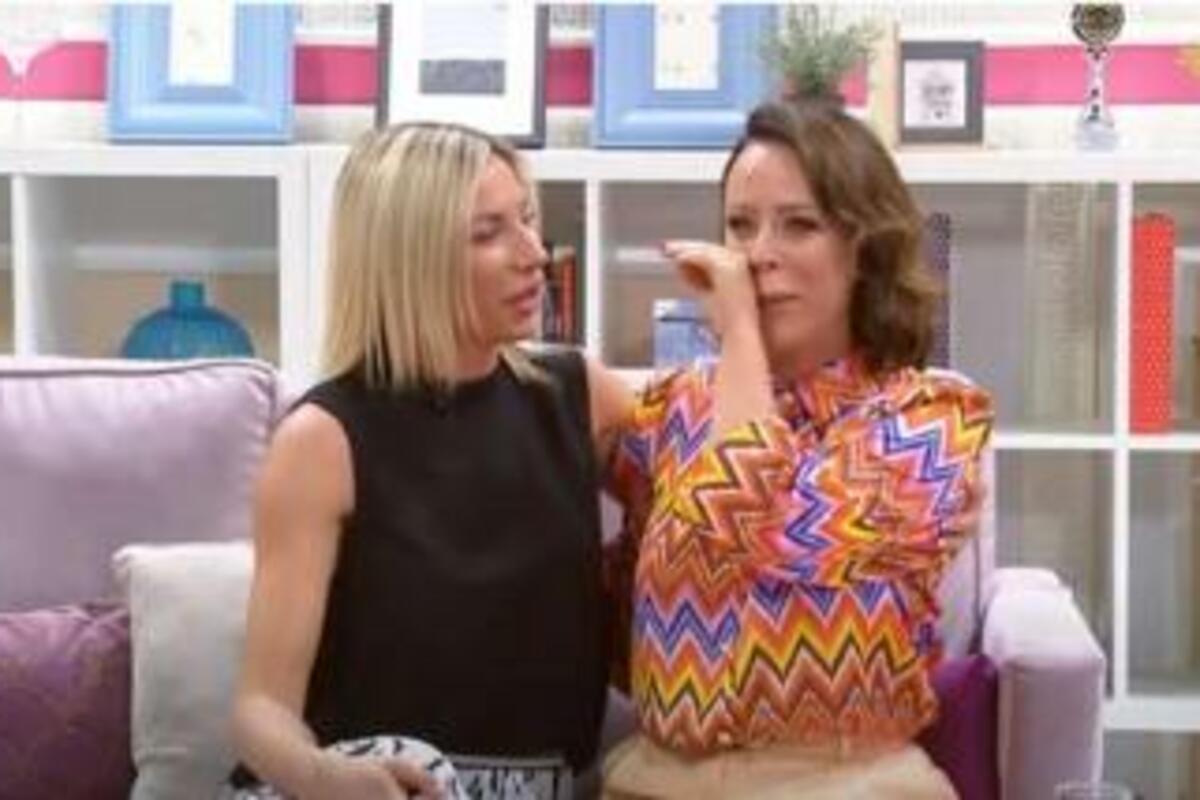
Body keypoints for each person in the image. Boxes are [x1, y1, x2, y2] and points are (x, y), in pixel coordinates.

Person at [600, 101, 995, 798]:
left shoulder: (929, 418)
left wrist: (739, 336)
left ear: (865, 248)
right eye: (740, 225)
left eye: (799, 224)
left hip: (852, 782)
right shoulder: (673, 408)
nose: (757, 254)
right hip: (656, 780)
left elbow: (752, 532)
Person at [227, 122, 631, 800]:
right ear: (409, 259)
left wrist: (740, 323)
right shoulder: (321, 440)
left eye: (528, 219)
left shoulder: (576, 394)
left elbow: (721, 488)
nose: (534, 254)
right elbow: (261, 707)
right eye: (488, 233)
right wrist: (327, 778)